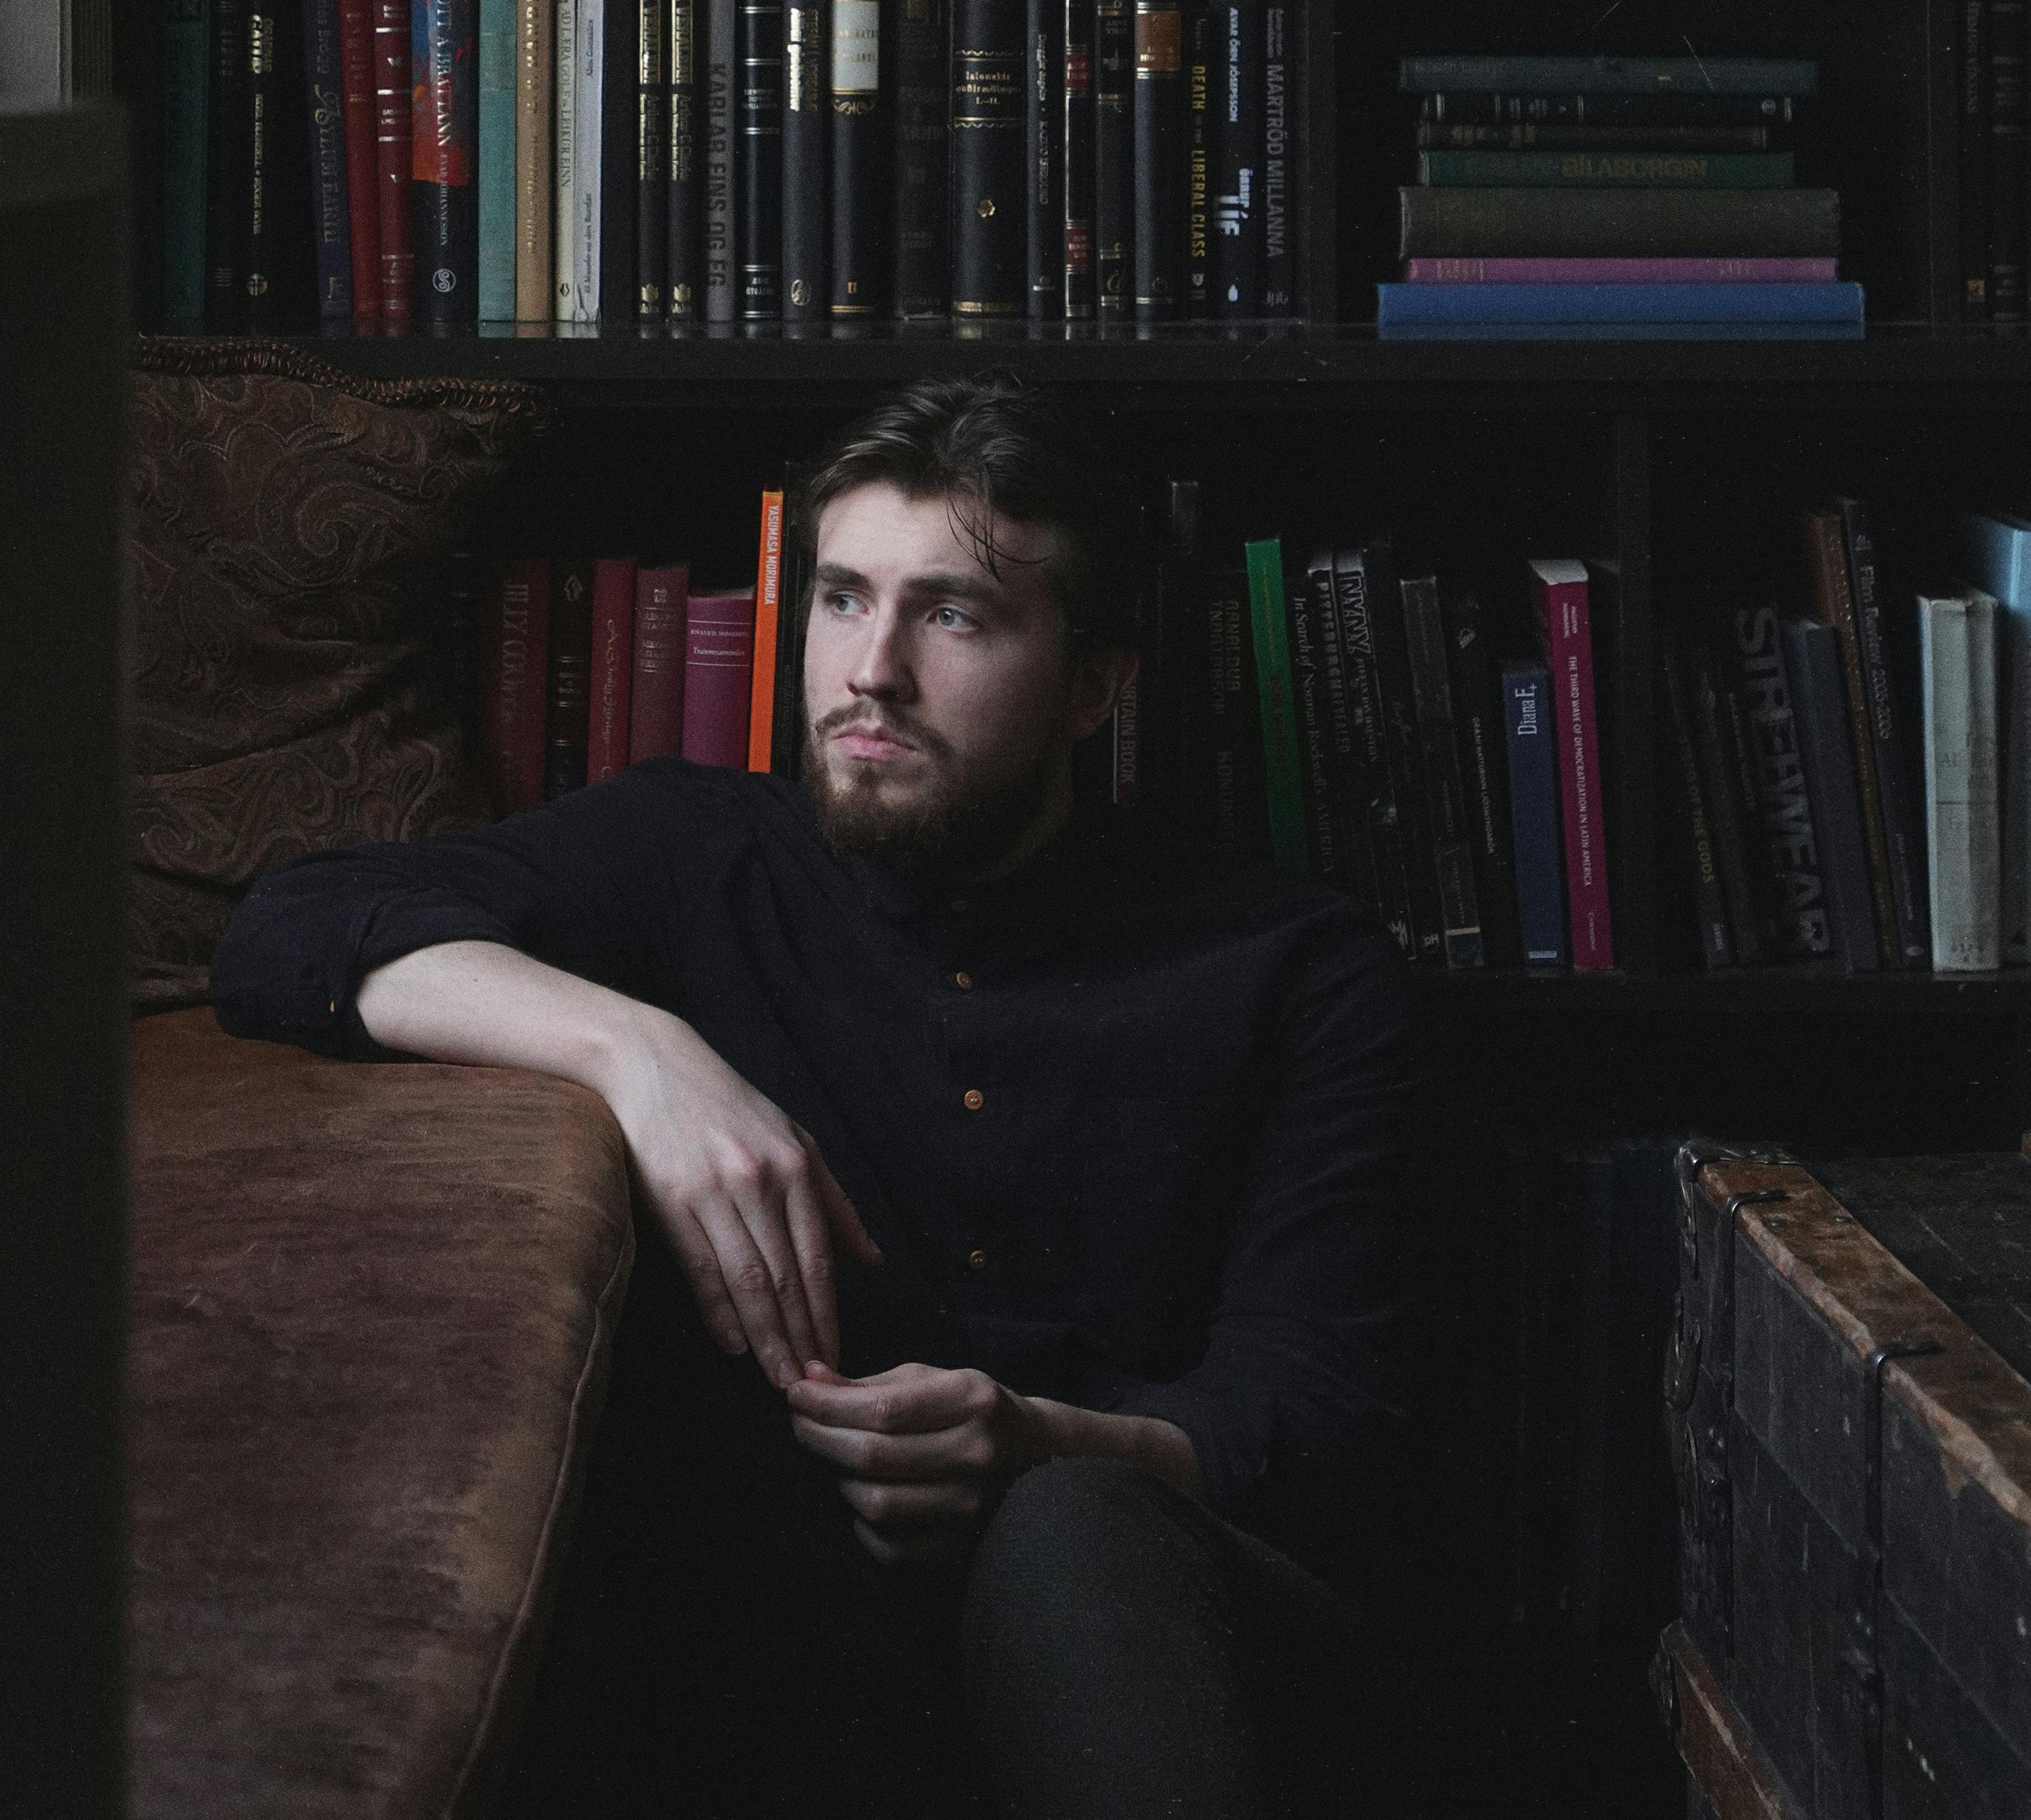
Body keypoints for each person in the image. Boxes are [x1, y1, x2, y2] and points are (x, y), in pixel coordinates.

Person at [212, 375, 1418, 1820]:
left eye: (952, 616)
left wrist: (1044, 1444)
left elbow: (1322, 1412)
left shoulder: (1293, 966)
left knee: (1073, 1536)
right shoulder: (687, 857)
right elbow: (289, 933)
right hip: (801, 1656)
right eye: (843, 600)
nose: (870, 672)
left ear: (1096, 683)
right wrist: (636, 1051)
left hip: (1183, 1644)